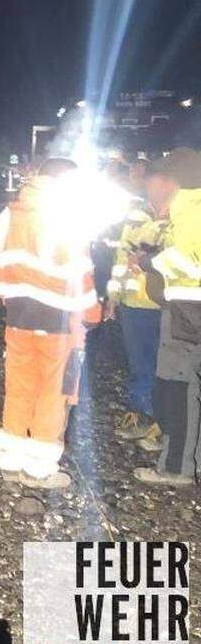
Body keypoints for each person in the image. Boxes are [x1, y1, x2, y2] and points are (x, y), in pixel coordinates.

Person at [0, 157, 102, 488]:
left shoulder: (9, 214)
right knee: (55, 392)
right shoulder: (68, 217)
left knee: (19, 386)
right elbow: (80, 276)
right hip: (61, 323)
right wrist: (93, 314)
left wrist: (13, 298)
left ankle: (10, 458)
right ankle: (38, 468)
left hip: (19, 317)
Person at [133, 148, 201, 486]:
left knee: (178, 388)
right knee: (187, 386)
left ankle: (176, 468)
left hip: (188, 310)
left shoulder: (191, 209)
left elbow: (192, 261)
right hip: (186, 308)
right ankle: (190, 460)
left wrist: (151, 262)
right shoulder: (188, 209)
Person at [108, 159, 177, 448]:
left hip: (164, 304)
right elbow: (121, 260)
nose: (144, 185)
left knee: (163, 365)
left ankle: (158, 419)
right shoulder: (135, 215)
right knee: (140, 363)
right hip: (133, 304)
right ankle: (142, 414)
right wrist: (112, 298)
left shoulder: (179, 219)